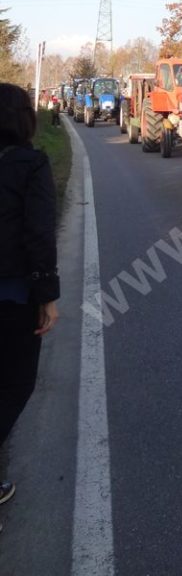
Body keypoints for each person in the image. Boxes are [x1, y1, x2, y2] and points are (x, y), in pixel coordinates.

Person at [0, 83, 59, 529]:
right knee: (15, 385)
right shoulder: (30, 165)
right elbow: (39, 235)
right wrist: (47, 298)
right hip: (13, 297)